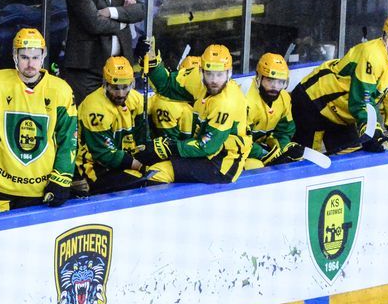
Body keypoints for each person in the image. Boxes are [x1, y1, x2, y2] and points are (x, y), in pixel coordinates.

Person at [0, 28, 78, 213]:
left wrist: (62, 179)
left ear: (43, 56)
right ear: (14, 56)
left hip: (39, 189)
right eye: (24, 57)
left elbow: (69, 138)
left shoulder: (60, 90)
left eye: (35, 57)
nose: (30, 64)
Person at [290, 13, 388, 153]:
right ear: (386, 37)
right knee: (307, 156)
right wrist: (372, 129)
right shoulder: (372, 55)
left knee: (352, 155)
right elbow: (363, 98)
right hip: (314, 99)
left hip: (343, 114)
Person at [140, 41, 251, 183]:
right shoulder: (198, 80)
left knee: (158, 172)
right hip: (203, 152)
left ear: (229, 73)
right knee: (149, 160)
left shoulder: (226, 102)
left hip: (223, 162)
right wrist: (151, 61)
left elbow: (208, 147)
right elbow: (166, 85)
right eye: (209, 74)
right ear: (201, 71)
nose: (214, 80)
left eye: (220, 75)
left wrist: (170, 147)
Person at [76, 56, 159, 194]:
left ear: (132, 84)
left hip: (124, 162)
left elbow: (142, 137)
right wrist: (139, 166)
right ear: (105, 84)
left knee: (159, 176)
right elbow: (104, 154)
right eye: (115, 88)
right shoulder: (94, 108)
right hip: (95, 168)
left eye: (125, 87)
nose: (120, 94)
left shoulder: (137, 100)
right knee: (139, 184)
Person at [245, 52, 299, 168]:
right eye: (270, 80)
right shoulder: (245, 99)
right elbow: (239, 139)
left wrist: (285, 150)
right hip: (236, 151)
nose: (275, 86)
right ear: (258, 77)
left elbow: (284, 132)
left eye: (280, 82)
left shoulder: (284, 98)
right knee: (255, 166)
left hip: (257, 145)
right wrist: (264, 154)